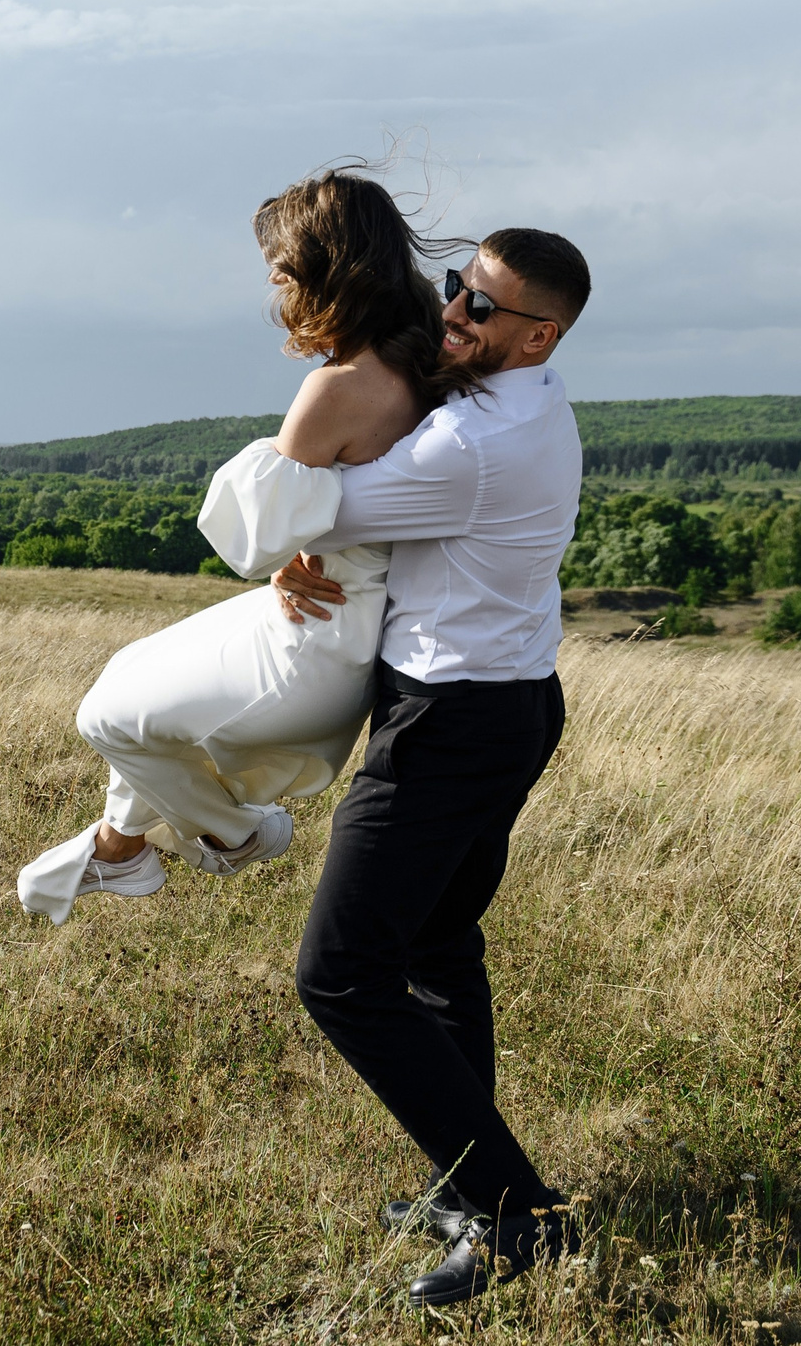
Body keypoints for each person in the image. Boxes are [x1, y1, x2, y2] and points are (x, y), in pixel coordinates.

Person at [273, 226, 592, 1308]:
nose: (452, 311)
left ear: (538, 335)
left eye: (481, 308)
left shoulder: (470, 444)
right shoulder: (529, 401)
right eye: (457, 286)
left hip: (450, 724)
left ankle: (519, 1216)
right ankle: (468, 1184)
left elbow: (306, 504)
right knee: (437, 948)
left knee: (341, 973)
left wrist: (284, 548)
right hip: (513, 705)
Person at [16, 169, 472, 922]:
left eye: (284, 267)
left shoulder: (340, 385)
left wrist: (281, 548)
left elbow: (251, 541)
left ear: (328, 268)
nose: (274, 282)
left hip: (314, 641)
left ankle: (234, 835)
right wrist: (295, 545)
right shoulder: (427, 359)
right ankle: (119, 847)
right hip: (353, 620)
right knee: (133, 672)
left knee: (103, 716)